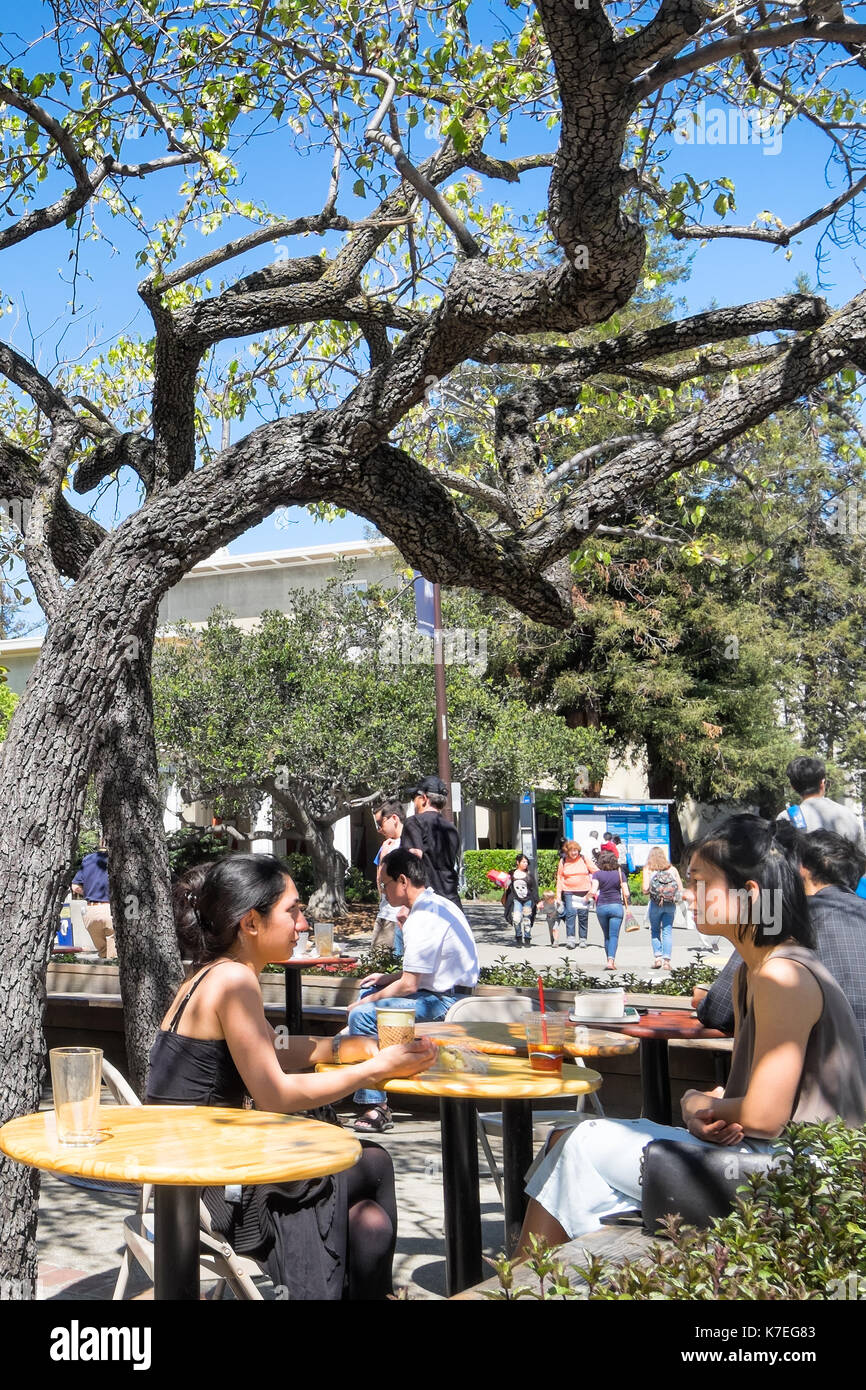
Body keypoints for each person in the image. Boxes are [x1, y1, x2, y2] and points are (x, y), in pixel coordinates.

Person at [517, 815, 866, 1254]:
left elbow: (765, 1115)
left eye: (700, 882)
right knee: (570, 1146)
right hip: (773, 1159)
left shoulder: (781, 975)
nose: (687, 894)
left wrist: (700, 1102)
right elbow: (769, 1093)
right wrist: (718, 1104)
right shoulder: (757, 972)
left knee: (582, 1144)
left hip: (805, 1175)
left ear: (750, 894)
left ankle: (525, 1279)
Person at [146, 854, 437, 1300]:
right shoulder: (235, 982)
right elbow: (276, 1093)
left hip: (196, 1162)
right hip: (208, 1182)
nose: (303, 923)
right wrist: (374, 1070)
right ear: (251, 923)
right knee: (372, 1165)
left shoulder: (209, 974)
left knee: (369, 1222)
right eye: (293, 910)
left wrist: (343, 1048)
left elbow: (272, 1049)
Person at [694, 828, 866, 1056]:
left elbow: (718, 1011)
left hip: (816, 1080)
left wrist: (703, 998)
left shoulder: (785, 920)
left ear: (799, 870)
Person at [345, 848, 480, 1132]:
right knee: (367, 994)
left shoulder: (422, 918)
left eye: (385, 884)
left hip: (448, 1002)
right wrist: (383, 980)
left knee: (363, 1016)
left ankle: (376, 1105)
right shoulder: (436, 905)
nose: (383, 892)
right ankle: (369, 1078)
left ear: (403, 881)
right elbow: (422, 973)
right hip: (448, 993)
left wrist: (365, 1004)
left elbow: (410, 984)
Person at [778, 754, 866, 851]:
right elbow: (862, 858)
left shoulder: (786, 818)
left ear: (793, 787)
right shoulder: (848, 814)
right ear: (822, 783)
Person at [401, 775, 462, 907]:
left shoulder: (414, 822)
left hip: (427, 903)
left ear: (424, 798)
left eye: (414, 799)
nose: (414, 803)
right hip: (452, 903)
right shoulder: (452, 828)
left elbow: (414, 858)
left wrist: (406, 906)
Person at [370, 801, 406, 955]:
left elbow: (384, 886)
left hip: (397, 917)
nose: (379, 829)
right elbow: (381, 889)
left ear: (394, 818)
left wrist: (384, 859)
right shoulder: (386, 846)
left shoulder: (410, 845)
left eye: (380, 823)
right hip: (385, 914)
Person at [587, 847, 629, 971]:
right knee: (614, 936)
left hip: (602, 907)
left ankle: (608, 961)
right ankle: (611, 960)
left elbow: (593, 891)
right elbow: (626, 893)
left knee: (606, 936)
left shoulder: (597, 874)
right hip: (616, 906)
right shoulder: (620, 874)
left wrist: (586, 897)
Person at [641, 846, 683, 971]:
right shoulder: (672, 869)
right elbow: (680, 889)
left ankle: (657, 958)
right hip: (670, 905)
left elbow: (644, 889)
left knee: (655, 930)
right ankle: (666, 961)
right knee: (667, 931)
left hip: (655, 904)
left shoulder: (648, 869)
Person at [71, 841, 114, 960]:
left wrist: (89, 892)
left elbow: (75, 887)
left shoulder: (87, 860)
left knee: (103, 955)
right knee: (114, 957)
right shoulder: (118, 859)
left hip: (90, 912)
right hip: (111, 910)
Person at [555, 841, 594, 949]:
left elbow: (596, 872)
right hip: (569, 891)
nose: (574, 853)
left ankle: (583, 939)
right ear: (567, 852)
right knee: (570, 915)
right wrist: (558, 895)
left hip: (584, 891)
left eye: (576, 850)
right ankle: (571, 939)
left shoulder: (584, 859)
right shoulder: (563, 861)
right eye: (571, 851)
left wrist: (594, 889)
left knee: (583, 916)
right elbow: (560, 878)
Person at [503, 853, 539, 947]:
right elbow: (506, 884)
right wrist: (505, 885)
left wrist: (537, 901)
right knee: (516, 918)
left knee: (527, 919)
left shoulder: (529, 875)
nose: (525, 863)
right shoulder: (512, 874)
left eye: (526, 862)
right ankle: (518, 937)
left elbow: (534, 889)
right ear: (518, 862)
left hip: (528, 900)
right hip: (516, 899)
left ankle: (527, 938)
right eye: (523, 862)